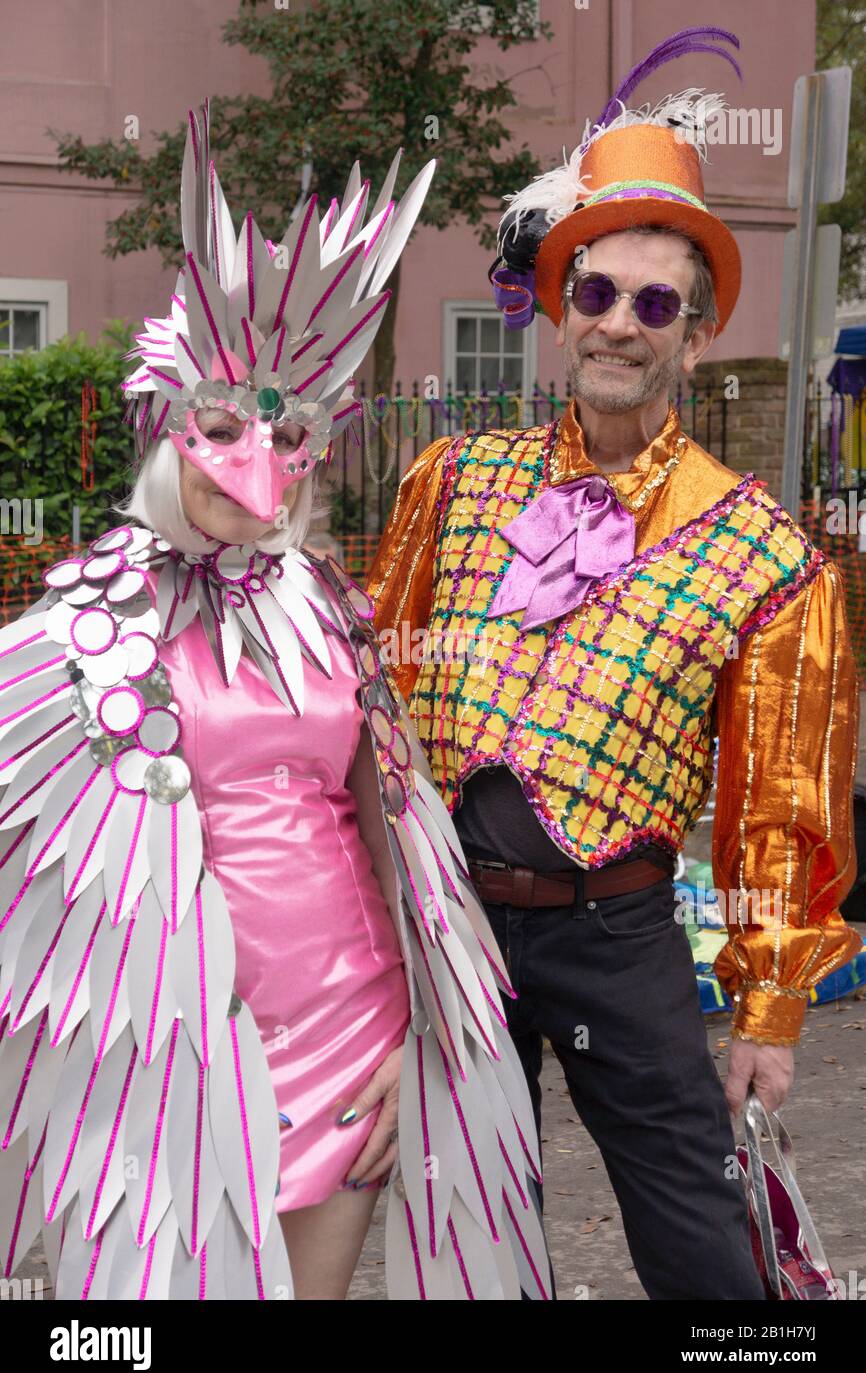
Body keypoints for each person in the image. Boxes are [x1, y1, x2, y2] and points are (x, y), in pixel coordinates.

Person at [0, 101, 550, 1302]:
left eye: (286, 429)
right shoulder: (79, 629)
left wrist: (426, 1039)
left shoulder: (327, 606)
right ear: (168, 430)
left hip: (355, 1032)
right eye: (220, 425)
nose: (251, 463)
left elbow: (398, 836)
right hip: (173, 1052)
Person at [367, 28, 862, 1300]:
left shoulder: (765, 556)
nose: (619, 325)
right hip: (452, 924)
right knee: (466, 1226)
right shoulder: (451, 480)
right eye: (596, 292)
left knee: (701, 1243)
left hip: (620, 931)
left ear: (693, 336)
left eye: (655, 304)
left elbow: (778, 805)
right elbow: (366, 693)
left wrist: (764, 1009)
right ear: (558, 304)